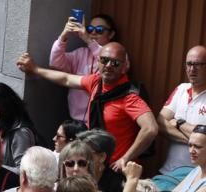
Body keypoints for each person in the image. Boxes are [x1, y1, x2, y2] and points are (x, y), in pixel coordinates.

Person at [16, 43, 156, 170]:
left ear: (125, 67)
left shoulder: (129, 97)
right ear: (98, 61)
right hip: (92, 163)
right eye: (104, 60)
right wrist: (35, 69)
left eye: (115, 63)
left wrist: (125, 158)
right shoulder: (96, 82)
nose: (108, 65)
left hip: (115, 168)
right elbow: (66, 78)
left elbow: (150, 128)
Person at [49, 11, 118, 122]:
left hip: (100, 122)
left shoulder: (118, 54)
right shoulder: (80, 53)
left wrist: (88, 40)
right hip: (75, 120)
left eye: (99, 30)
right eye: (90, 29)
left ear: (111, 34)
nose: (93, 33)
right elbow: (55, 62)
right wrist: (64, 35)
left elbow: (108, 62)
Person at [158, 46, 206, 178]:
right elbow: (160, 123)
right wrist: (195, 140)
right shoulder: (181, 89)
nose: (192, 69)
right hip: (168, 172)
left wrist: (179, 123)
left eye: (198, 64)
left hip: (198, 177)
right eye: (189, 64)